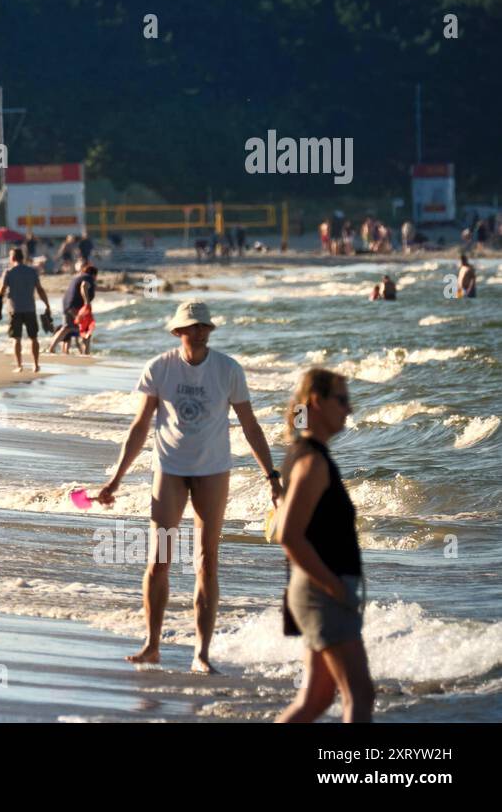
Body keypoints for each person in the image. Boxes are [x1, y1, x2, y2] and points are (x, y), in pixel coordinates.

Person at [96, 301, 282, 673]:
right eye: (192, 327)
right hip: (170, 473)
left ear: (210, 331)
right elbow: (139, 426)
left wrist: (272, 477)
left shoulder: (227, 370)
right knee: (160, 559)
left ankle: (202, 653)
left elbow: (250, 426)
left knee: (206, 563)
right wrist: (116, 478)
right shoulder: (160, 368)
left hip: (213, 474)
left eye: (204, 326)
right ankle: (152, 645)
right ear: (178, 332)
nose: (199, 332)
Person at [275, 369, 374, 723]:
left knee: (315, 699)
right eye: (343, 400)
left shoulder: (303, 453)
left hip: (314, 588)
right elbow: (288, 535)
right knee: (359, 696)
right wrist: (334, 587)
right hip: (322, 591)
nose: (349, 409)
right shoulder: (312, 461)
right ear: (316, 402)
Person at [0, 248, 50, 373]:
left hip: (14, 309)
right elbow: (40, 289)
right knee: (34, 337)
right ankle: (36, 365)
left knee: (16, 338)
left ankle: (19, 366)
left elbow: (1, 290)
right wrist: (47, 304)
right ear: (22, 258)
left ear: (12, 258)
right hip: (30, 309)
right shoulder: (32, 271)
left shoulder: (8, 272)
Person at [50, 260, 96, 353]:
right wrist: (87, 302)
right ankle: (85, 352)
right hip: (75, 307)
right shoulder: (88, 278)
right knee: (84, 328)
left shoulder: (78, 277)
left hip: (67, 305)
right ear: (94, 275)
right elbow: (84, 286)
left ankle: (53, 348)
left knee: (69, 328)